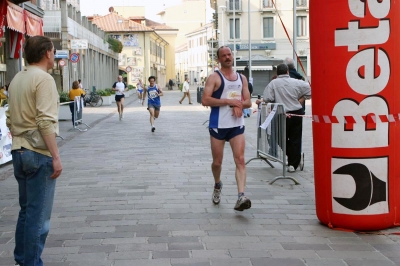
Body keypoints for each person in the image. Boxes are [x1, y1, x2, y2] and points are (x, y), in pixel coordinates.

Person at [5, 35, 62, 266]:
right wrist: (56, 156)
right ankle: (31, 262)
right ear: (47, 53)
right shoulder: (44, 79)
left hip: (19, 151)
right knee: (39, 217)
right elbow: (45, 121)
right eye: (54, 51)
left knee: (26, 212)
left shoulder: (18, 77)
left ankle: (21, 259)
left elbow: (9, 117)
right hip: (38, 153)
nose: (55, 54)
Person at [202, 46, 252, 212]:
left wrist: (239, 104)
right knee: (217, 162)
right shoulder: (214, 78)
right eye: (223, 55)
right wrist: (229, 102)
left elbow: (248, 102)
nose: (227, 57)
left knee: (240, 159)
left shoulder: (241, 78)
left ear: (233, 56)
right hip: (218, 125)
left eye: (229, 54)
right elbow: (205, 100)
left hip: (236, 125)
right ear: (219, 59)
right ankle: (217, 184)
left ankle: (241, 196)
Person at [257, 63, 311, 172]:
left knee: (280, 138)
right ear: (287, 72)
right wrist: (302, 98)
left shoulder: (273, 83)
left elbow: (268, 98)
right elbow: (309, 90)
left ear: (277, 73)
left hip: (282, 114)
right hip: (296, 112)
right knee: (295, 138)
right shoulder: (297, 82)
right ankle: (294, 162)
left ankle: (293, 160)